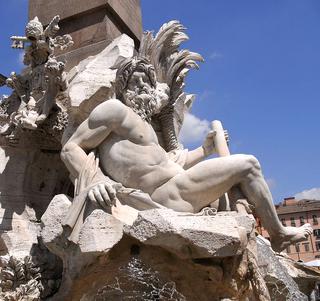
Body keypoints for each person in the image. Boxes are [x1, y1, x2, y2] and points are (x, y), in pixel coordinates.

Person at [61, 57, 312, 252]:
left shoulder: (145, 127)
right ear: (122, 88)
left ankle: (265, 229)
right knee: (249, 164)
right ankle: (278, 234)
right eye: (134, 82)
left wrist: (205, 150)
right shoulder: (114, 111)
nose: (141, 88)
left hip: (179, 187)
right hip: (166, 195)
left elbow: (172, 162)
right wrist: (97, 180)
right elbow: (71, 148)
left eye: (145, 82)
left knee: (240, 175)